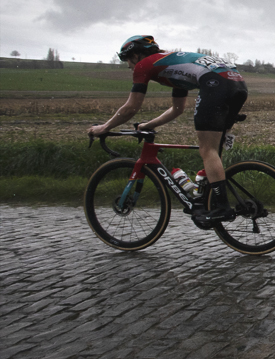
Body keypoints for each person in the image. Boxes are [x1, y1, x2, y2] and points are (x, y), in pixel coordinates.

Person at [87, 35, 248, 224]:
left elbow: (131, 106)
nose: (128, 66)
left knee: (207, 149)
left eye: (127, 60)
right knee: (215, 147)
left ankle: (222, 207)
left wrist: (104, 127)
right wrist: (148, 125)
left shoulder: (144, 65)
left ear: (136, 55)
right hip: (237, 85)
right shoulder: (172, 66)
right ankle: (206, 195)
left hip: (216, 84)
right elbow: (177, 109)